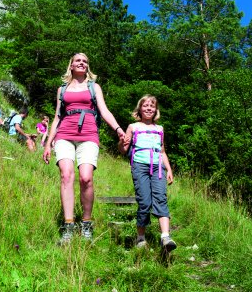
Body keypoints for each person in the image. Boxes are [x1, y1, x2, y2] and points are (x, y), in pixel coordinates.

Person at [43, 53, 126, 244]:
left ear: (87, 66)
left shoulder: (94, 87)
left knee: (86, 178)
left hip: (88, 134)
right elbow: (56, 117)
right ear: (71, 66)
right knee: (66, 175)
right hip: (64, 134)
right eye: (78, 60)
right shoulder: (62, 90)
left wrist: (118, 129)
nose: (81, 63)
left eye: (85, 61)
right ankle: (69, 225)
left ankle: (86, 223)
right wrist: (48, 143)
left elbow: (104, 110)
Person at [118, 94, 176, 252]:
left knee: (161, 199)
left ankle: (165, 236)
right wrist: (123, 142)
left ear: (156, 109)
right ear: (140, 109)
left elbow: (162, 151)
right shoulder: (133, 127)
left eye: (152, 106)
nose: (149, 108)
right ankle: (141, 238)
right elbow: (123, 150)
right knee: (144, 202)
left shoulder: (160, 129)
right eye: (145, 106)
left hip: (158, 168)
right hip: (139, 166)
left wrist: (169, 170)